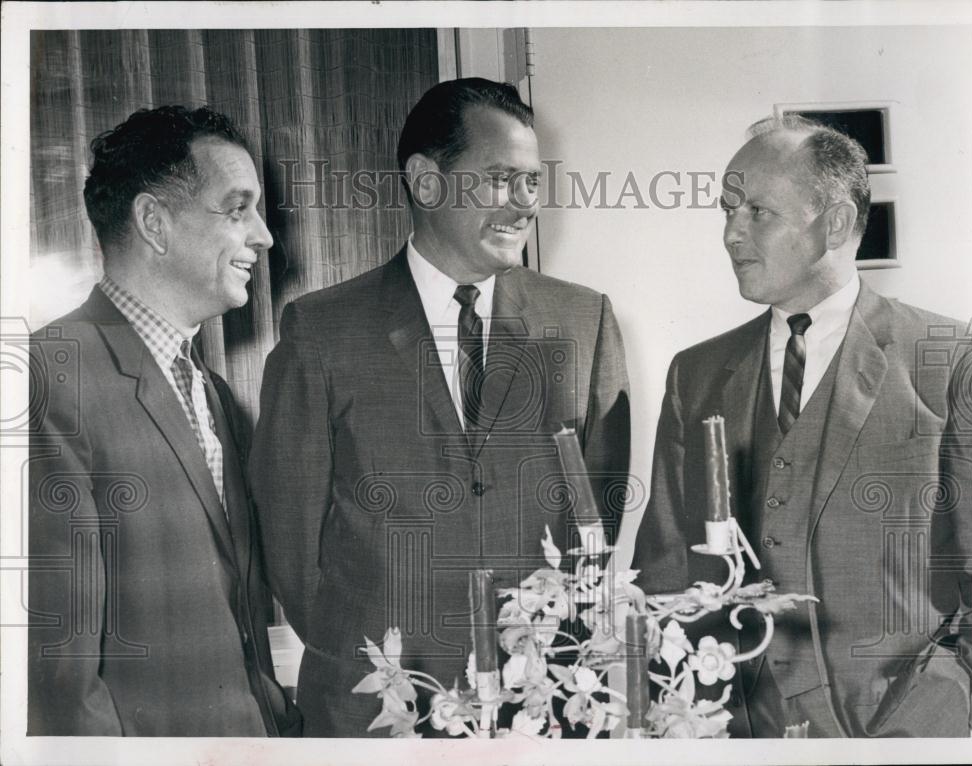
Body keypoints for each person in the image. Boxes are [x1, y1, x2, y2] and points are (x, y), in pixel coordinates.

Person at [251, 77, 631, 737]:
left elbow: (595, 524)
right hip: (374, 709)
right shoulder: (320, 330)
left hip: (540, 705)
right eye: (499, 179)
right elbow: (290, 546)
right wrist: (378, 653)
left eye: (531, 183)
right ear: (426, 183)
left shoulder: (583, 319)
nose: (523, 204)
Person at [633, 116, 972, 738]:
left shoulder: (947, 356)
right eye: (726, 210)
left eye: (757, 211)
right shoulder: (697, 373)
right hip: (737, 730)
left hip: (910, 728)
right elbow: (666, 570)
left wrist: (949, 702)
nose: (731, 233)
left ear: (835, 223)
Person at [28, 106, 301, 736]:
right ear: (154, 222)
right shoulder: (46, 377)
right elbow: (57, 677)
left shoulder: (212, 394)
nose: (263, 236)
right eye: (238, 209)